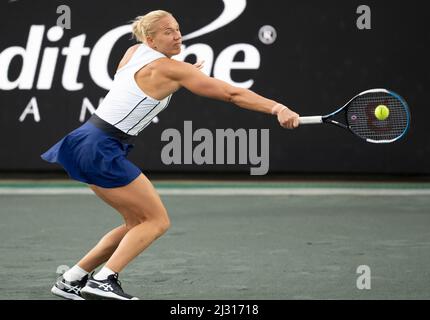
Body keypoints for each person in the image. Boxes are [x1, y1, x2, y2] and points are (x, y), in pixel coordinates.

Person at [42, 10, 300, 300]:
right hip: (102, 146)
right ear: (151, 39)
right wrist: (277, 108)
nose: (177, 35)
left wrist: (183, 74)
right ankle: (103, 280)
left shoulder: (133, 52)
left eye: (177, 29)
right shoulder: (172, 69)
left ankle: (72, 278)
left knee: (136, 224)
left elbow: (144, 82)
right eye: (168, 32)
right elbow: (232, 94)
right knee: (157, 221)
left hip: (84, 140)